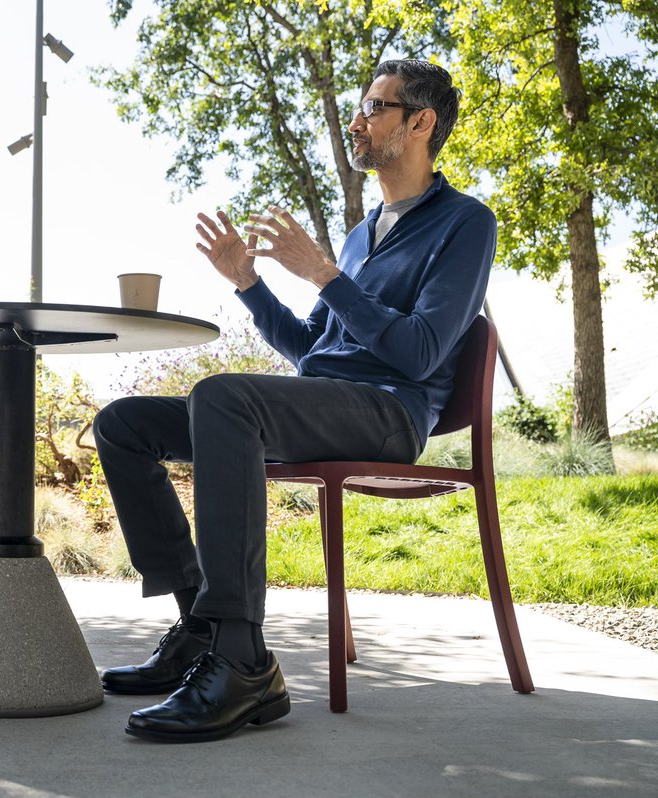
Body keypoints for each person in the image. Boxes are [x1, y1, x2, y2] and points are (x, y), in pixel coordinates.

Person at [93, 60, 495, 742]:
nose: (356, 120)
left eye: (373, 107)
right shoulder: (363, 232)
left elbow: (421, 352)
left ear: (421, 123)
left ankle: (243, 660)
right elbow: (312, 352)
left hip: (389, 413)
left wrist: (326, 275)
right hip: (327, 399)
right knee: (124, 424)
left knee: (222, 399)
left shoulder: (464, 223)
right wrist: (250, 284)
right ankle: (200, 630)